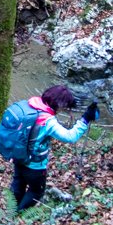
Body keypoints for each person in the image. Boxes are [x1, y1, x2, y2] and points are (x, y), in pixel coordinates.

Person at [8, 84, 98, 212]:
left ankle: (10, 210)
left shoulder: (30, 105)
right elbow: (70, 137)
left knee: (19, 182)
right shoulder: (47, 121)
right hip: (34, 165)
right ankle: (18, 215)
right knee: (36, 191)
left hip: (18, 155)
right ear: (59, 104)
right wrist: (85, 119)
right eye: (64, 107)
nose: (63, 110)